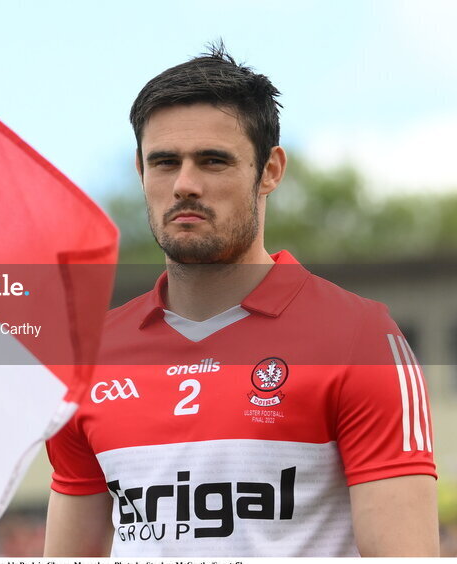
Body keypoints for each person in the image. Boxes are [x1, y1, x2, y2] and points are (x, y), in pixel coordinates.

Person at [43, 44, 438, 557]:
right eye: (165, 162)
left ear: (270, 170)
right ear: (141, 170)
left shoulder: (360, 337)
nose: (185, 185)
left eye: (213, 161)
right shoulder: (88, 358)